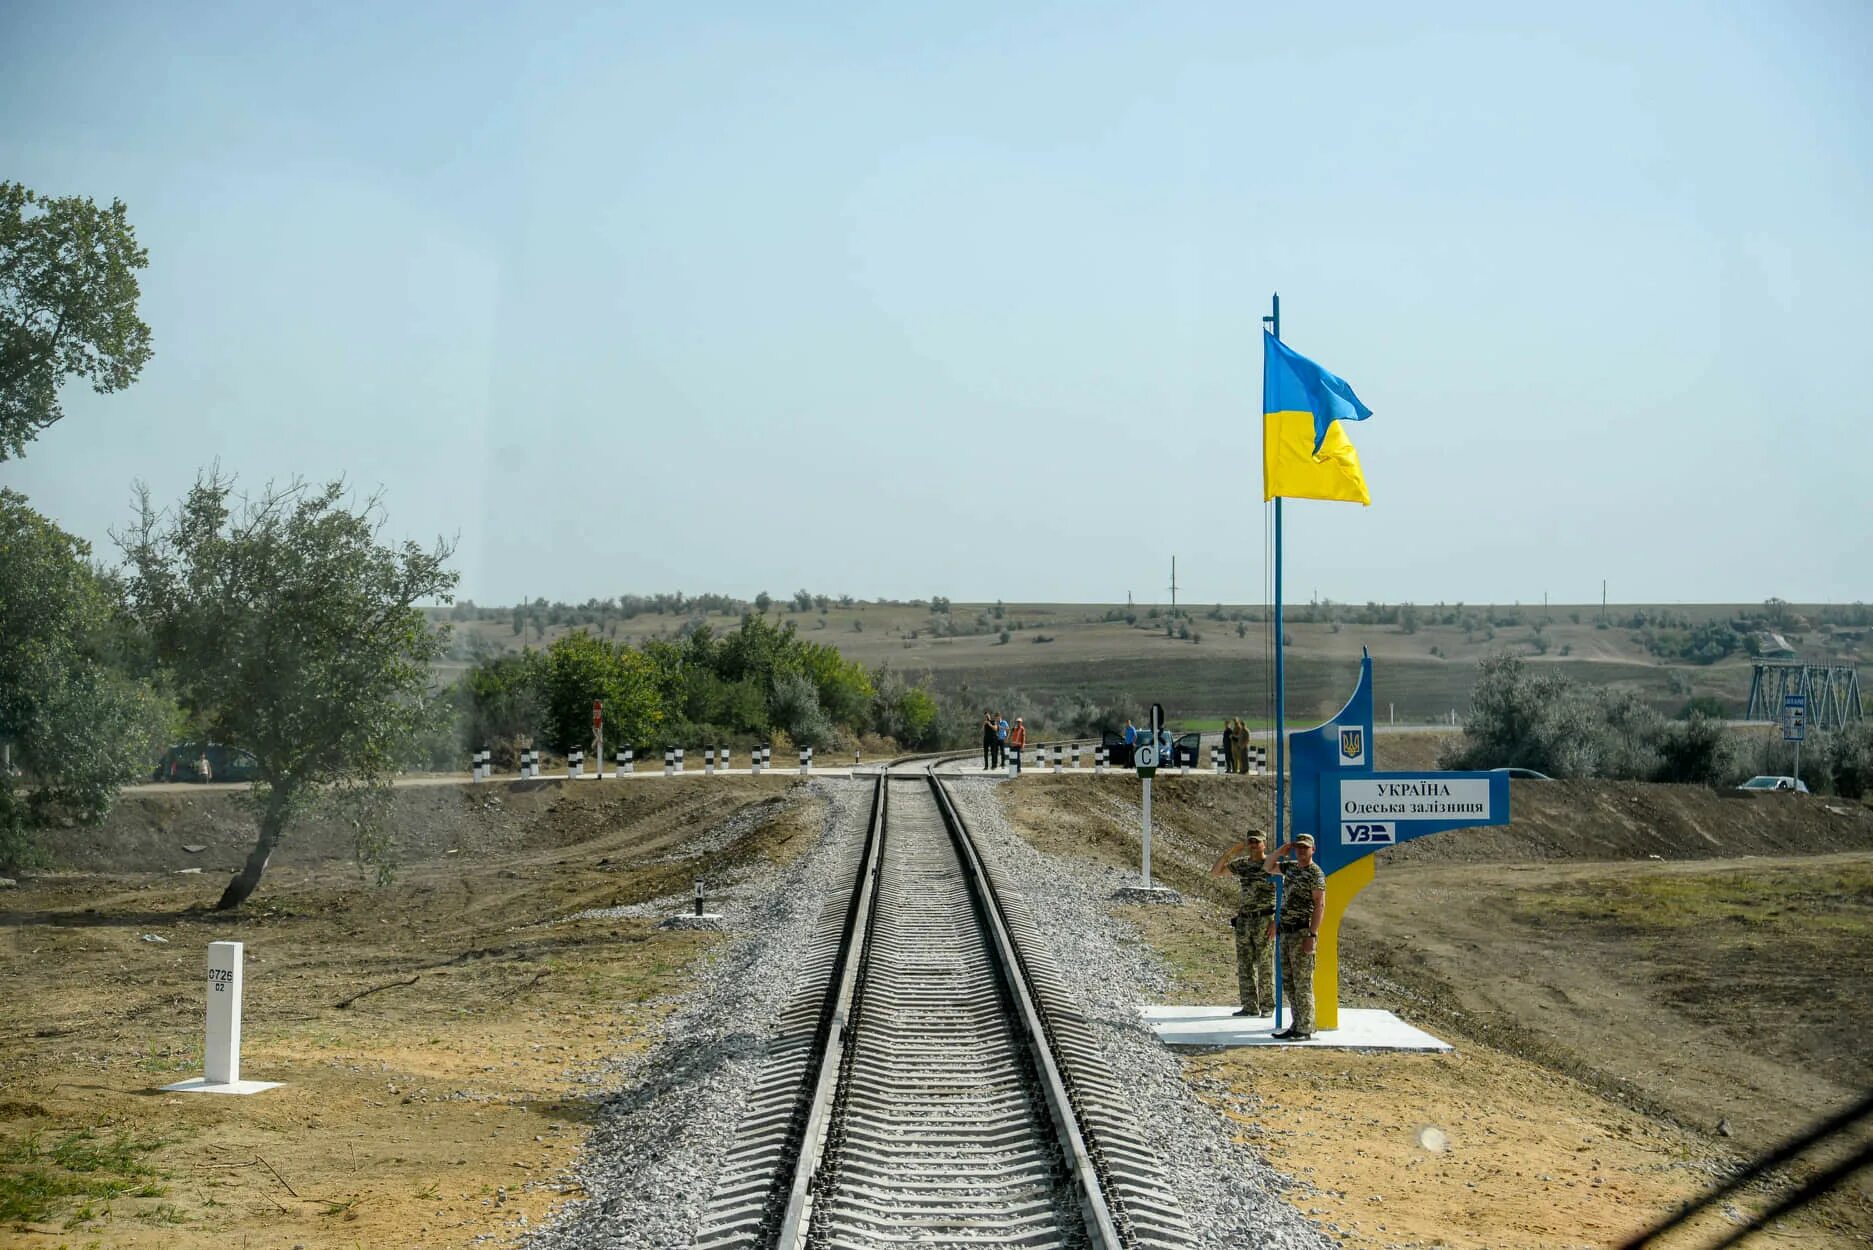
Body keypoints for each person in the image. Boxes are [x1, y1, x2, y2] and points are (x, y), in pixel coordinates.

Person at [1264, 832, 1327, 1039]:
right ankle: (1296, 1023)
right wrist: (1281, 851)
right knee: (1289, 981)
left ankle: (1306, 1027)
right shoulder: (1290, 867)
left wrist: (1312, 934)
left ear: (1312, 850)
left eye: (1305, 848)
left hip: (1302, 932)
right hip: (1286, 932)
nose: (1301, 851)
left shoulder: (1315, 873)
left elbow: (1320, 905)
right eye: (1298, 847)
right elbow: (1267, 867)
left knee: (1302, 982)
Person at [1210, 831, 1275, 1016]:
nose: (1254, 845)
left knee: (1265, 965)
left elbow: (1283, 895)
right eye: (1251, 842)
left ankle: (1267, 1006)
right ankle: (1249, 1006)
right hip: (1245, 920)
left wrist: (1276, 922)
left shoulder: (1271, 865)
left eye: (1257, 842)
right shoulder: (1243, 865)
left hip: (1265, 919)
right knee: (1244, 964)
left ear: (1264, 843)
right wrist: (1231, 852)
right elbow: (1215, 872)